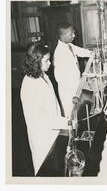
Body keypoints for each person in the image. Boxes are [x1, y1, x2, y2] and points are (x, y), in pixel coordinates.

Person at [20, 42, 68, 175]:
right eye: (47, 60)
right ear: (36, 62)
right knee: (45, 169)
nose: (50, 63)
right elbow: (41, 119)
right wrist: (67, 122)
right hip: (43, 137)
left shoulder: (42, 75)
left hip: (53, 132)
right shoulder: (30, 85)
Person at [54, 22, 93, 118]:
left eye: (73, 33)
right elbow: (59, 77)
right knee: (71, 116)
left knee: (78, 114)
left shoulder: (69, 45)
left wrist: (92, 53)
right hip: (68, 91)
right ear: (62, 36)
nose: (74, 36)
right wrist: (74, 92)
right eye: (71, 34)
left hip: (76, 87)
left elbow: (80, 51)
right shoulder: (60, 53)